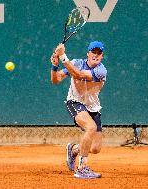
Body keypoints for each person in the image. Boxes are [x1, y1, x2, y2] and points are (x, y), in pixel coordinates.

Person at [50, 41, 107, 179]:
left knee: (95, 148)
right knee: (91, 127)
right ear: (88, 53)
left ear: (102, 56)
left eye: (99, 53)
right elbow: (55, 80)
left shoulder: (101, 70)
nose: (96, 55)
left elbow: (79, 75)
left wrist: (63, 56)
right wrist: (54, 66)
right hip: (75, 102)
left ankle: (74, 149)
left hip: (93, 107)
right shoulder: (76, 62)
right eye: (93, 52)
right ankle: (82, 168)